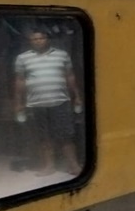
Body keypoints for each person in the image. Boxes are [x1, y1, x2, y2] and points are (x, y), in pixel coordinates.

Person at [14, 29, 83, 175]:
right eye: (34, 39)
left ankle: (73, 165)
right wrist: (19, 102)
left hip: (61, 101)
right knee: (44, 137)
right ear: (30, 42)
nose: (38, 41)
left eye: (41, 38)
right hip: (36, 103)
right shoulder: (22, 58)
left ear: (47, 39)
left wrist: (77, 95)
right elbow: (20, 81)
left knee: (66, 135)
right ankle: (48, 166)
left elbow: (70, 76)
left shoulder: (62, 55)